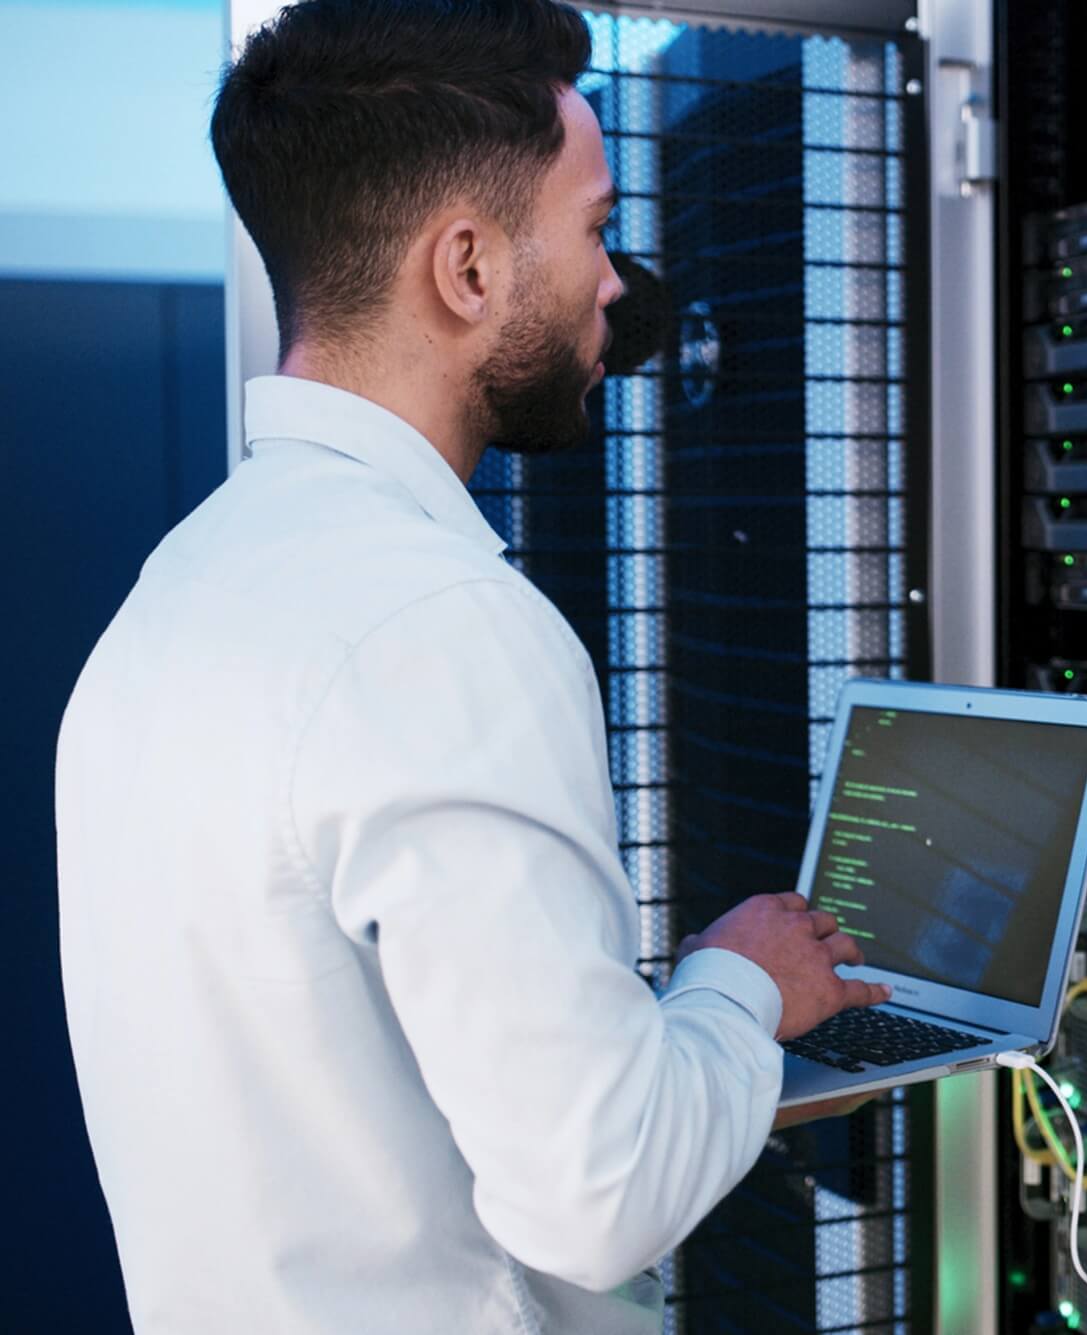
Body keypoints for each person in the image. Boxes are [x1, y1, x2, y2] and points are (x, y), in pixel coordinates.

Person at [53, 2, 885, 1330]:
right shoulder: (438, 626)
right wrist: (742, 984)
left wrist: (682, 1051)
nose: (617, 282)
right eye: (598, 227)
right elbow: (597, 1194)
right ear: (468, 270)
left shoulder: (179, 596)